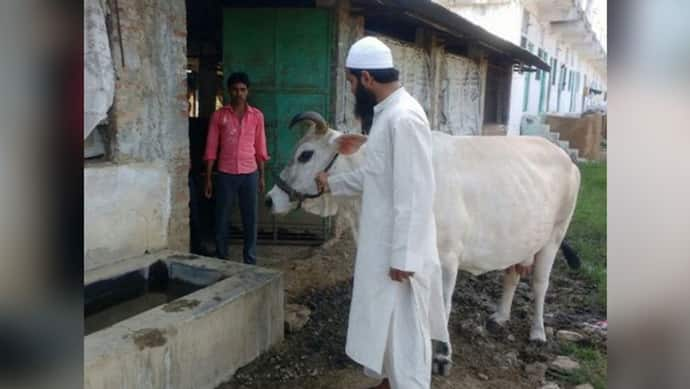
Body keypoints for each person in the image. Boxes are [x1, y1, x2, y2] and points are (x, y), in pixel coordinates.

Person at [315, 37, 448, 389]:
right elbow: (377, 175)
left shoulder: (403, 118)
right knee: (385, 323)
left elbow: (416, 192)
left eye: (351, 81)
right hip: (382, 245)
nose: (352, 88)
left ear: (367, 78)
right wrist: (333, 182)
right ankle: (391, 381)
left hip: (401, 252)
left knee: (406, 331)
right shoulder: (387, 114)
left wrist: (404, 255)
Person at [203, 72, 269, 264]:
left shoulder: (256, 116)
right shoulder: (219, 116)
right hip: (225, 174)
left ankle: (250, 259)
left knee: (250, 218)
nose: (239, 93)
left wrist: (262, 175)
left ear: (248, 91)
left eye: (242, 90)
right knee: (222, 217)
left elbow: (261, 147)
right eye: (235, 89)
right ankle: (222, 257)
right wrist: (208, 178)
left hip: (250, 173)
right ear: (229, 91)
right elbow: (211, 148)